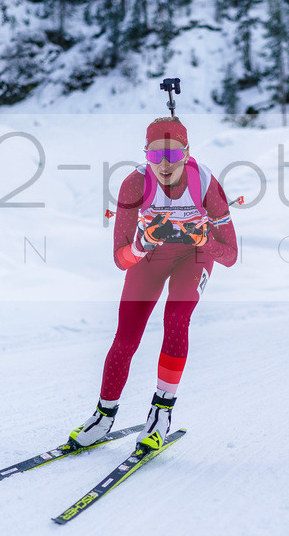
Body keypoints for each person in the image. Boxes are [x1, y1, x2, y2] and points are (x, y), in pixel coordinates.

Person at [68, 116, 238, 450]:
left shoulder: (206, 184)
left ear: (187, 153)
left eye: (173, 155)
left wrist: (204, 240)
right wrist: (142, 243)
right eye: (155, 155)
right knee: (127, 334)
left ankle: (161, 415)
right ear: (145, 154)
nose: (164, 164)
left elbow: (230, 255)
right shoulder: (134, 184)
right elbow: (121, 259)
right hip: (149, 258)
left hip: (193, 257)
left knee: (176, 319)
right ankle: (104, 416)